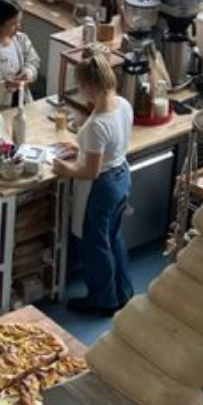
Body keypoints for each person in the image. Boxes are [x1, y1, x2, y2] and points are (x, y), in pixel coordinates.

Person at [52, 52, 135, 317]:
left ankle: (102, 301)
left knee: (94, 245)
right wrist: (81, 147)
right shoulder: (123, 105)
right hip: (122, 175)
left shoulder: (96, 125)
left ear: (88, 86)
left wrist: (64, 167)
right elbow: (110, 147)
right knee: (113, 237)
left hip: (102, 187)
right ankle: (123, 293)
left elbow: (89, 171)